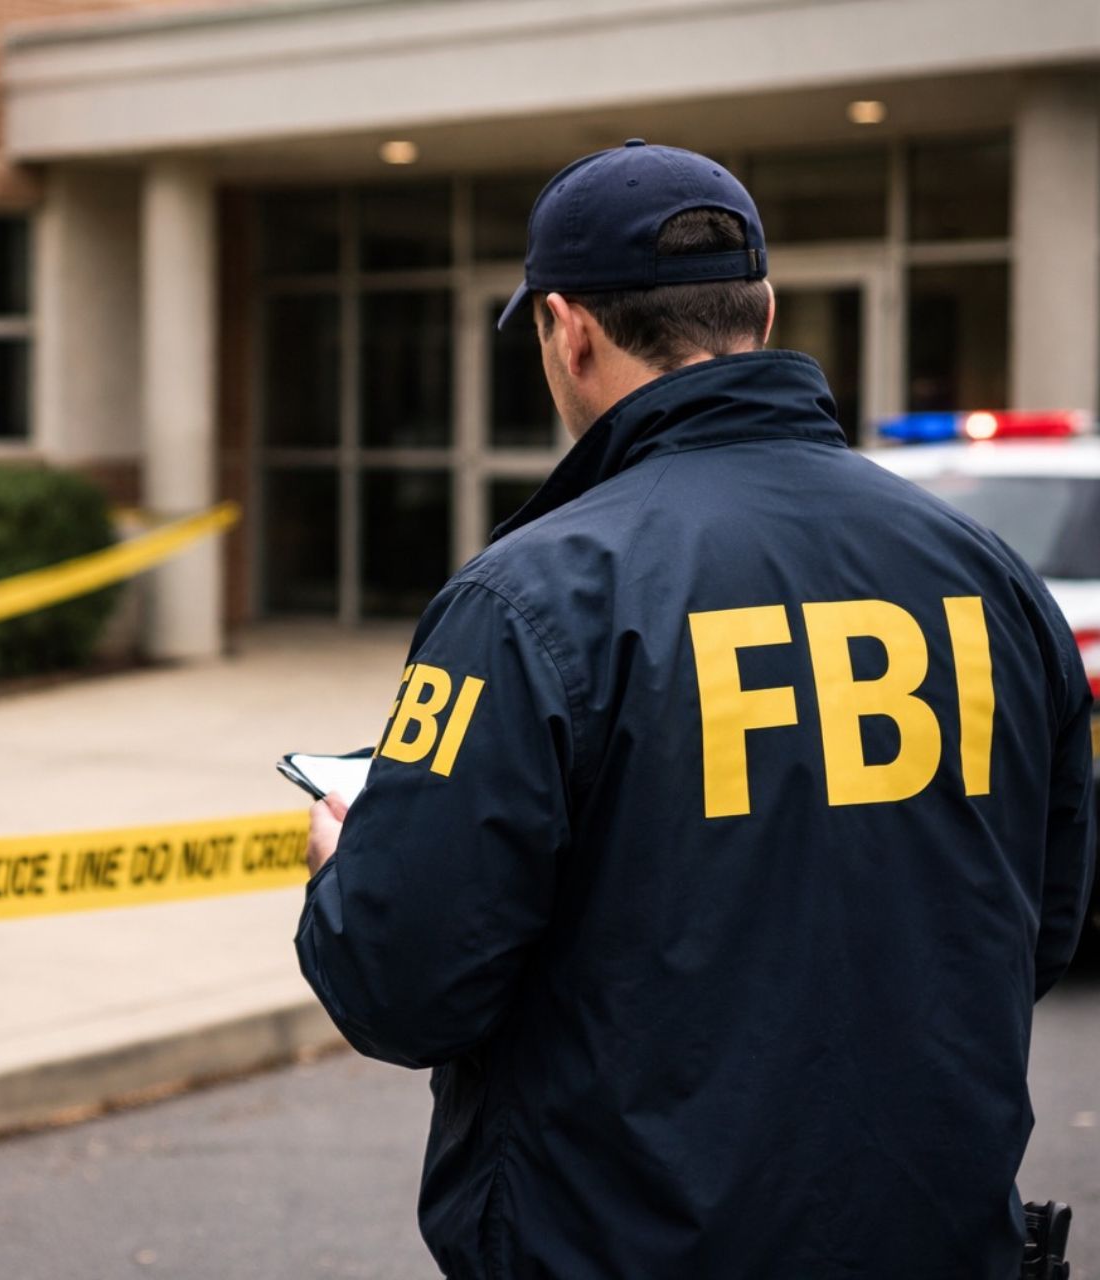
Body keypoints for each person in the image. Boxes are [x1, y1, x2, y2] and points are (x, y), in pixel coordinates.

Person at [296, 140, 1094, 1278]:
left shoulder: (530, 597)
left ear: (568, 330)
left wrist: (344, 868)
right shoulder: (989, 574)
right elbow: (1040, 925)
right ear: (761, 312)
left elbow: (401, 985)